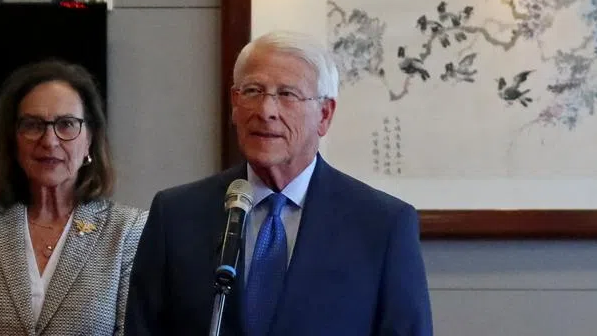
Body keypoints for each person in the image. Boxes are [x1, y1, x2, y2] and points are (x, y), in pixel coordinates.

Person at [125, 32, 433, 336]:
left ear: (324, 115)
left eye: (287, 94)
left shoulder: (382, 225)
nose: (266, 111)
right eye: (253, 91)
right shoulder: (176, 215)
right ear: (235, 103)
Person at [0, 60, 147, 336]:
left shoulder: (127, 230)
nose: (50, 141)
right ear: (13, 139)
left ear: (89, 138)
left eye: (67, 124)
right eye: (33, 125)